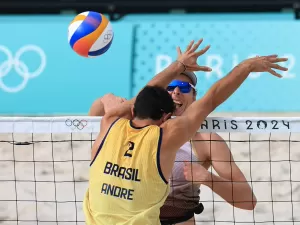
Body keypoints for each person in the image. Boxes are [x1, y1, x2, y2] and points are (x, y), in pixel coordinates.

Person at [84, 39, 288, 225]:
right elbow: (212, 99)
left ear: (194, 96)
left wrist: (208, 179)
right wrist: (246, 66)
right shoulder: (162, 134)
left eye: (184, 86)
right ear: (163, 108)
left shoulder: (206, 142)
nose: (176, 92)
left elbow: (248, 201)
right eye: (170, 86)